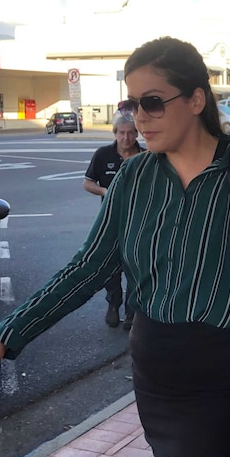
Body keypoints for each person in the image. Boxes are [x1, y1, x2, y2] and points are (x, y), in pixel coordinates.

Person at [0, 36, 230, 457]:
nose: (138, 119)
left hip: (225, 374)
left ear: (195, 99)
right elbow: (86, 269)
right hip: (155, 374)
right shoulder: (133, 179)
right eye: (131, 104)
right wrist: (3, 338)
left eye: (151, 102)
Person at [83, 113, 144, 330]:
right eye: (121, 133)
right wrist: (104, 191)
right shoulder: (103, 155)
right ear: (115, 134)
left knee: (135, 268)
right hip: (110, 222)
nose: (126, 137)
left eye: (130, 133)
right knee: (111, 267)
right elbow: (87, 182)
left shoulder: (147, 157)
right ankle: (113, 304)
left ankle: (131, 312)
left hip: (140, 224)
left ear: (137, 134)